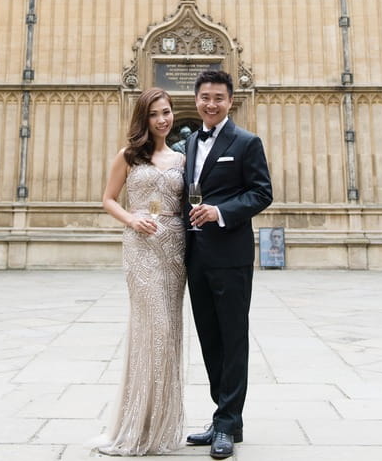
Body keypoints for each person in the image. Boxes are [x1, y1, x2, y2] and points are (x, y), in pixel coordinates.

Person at [184, 70, 273, 460]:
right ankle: (225, 417)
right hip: (195, 257)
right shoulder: (188, 143)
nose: (211, 103)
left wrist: (220, 211)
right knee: (210, 339)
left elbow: (261, 193)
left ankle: (226, 422)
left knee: (233, 338)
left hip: (231, 256)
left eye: (218, 97)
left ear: (230, 100)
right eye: (205, 97)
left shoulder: (247, 142)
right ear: (197, 99)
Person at [97, 88, 186, 455]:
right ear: (143, 118)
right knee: (153, 328)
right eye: (154, 114)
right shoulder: (129, 156)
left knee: (170, 330)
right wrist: (132, 219)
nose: (163, 119)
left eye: (166, 112)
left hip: (175, 248)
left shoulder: (183, 159)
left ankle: (161, 424)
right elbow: (107, 199)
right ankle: (136, 425)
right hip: (141, 247)